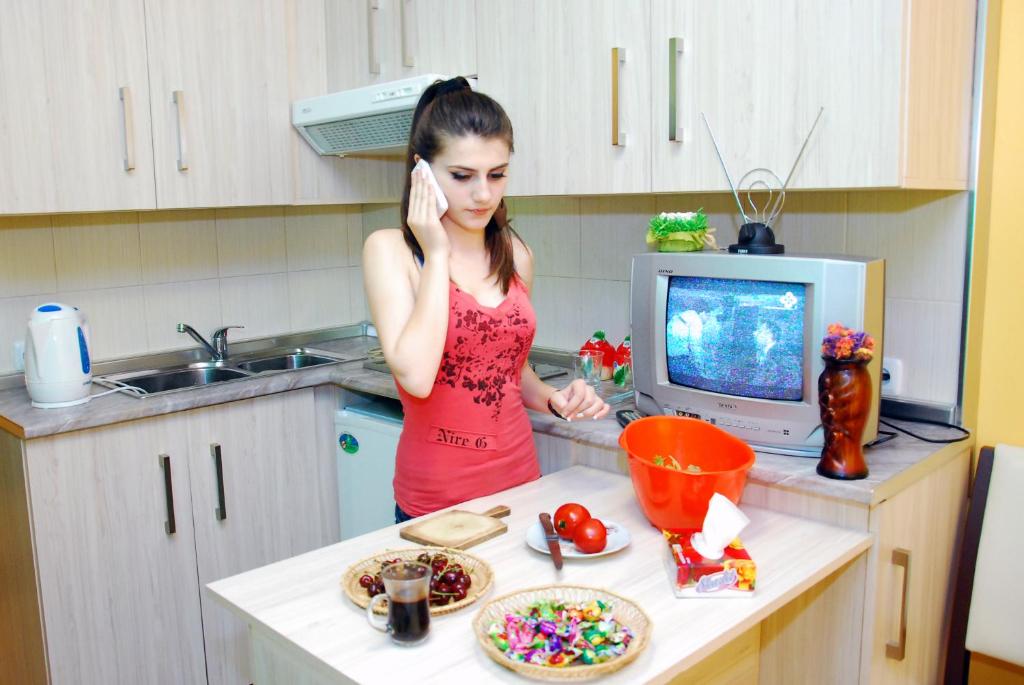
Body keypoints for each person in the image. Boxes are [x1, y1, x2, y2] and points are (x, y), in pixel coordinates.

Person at [362, 77, 611, 523]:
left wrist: (557, 398)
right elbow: (417, 377)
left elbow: (509, 370)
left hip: (520, 486)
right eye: (462, 176)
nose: (483, 194)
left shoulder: (516, 254)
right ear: (421, 171)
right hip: (436, 504)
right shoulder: (391, 252)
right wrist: (436, 251)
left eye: (497, 175)